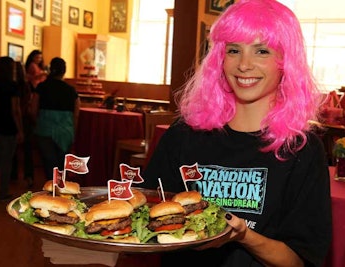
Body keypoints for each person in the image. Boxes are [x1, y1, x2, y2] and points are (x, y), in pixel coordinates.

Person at [141, 1, 332, 267]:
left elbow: (299, 260)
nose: (244, 65)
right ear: (220, 58)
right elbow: (145, 218)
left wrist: (244, 236)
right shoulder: (183, 135)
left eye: (261, 51)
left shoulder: (302, 149)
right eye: (234, 50)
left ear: (285, 62)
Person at [31, 57, 80, 180]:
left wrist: (38, 122)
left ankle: (50, 191)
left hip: (45, 129)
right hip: (65, 131)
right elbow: (76, 114)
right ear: (64, 71)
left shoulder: (41, 87)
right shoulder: (71, 91)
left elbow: (32, 110)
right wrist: (73, 131)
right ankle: (60, 191)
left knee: (49, 165)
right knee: (61, 166)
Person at [0, 57, 24, 202]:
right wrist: (20, 129)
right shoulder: (12, 86)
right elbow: (15, 109)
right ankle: (3, 192)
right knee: (6, 160)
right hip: (9, 125)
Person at [10, 62, 35, 187]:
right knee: (27, 150)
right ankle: (28, 176)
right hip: (25, 119)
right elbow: (28, 103)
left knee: (12, 150)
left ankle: (12, 175)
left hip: (9, 120)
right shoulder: (26, 85)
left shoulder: (10, 86)